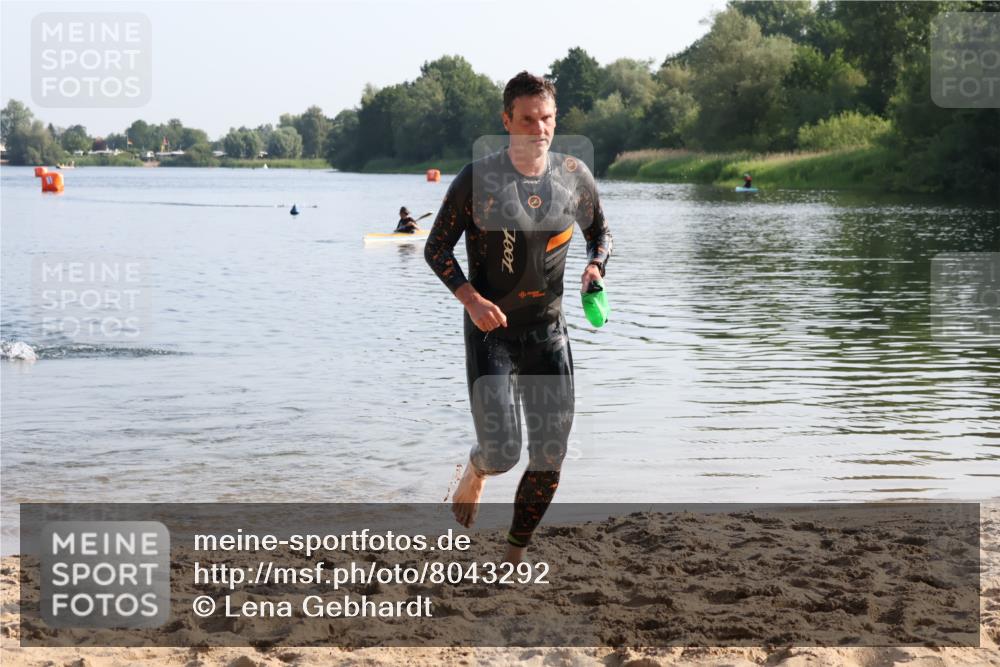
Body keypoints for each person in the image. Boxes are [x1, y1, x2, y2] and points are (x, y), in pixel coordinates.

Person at [424, 71, 612, 564]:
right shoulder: (477, 180)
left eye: (546, 118)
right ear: (507, 120)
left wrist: (595, 266)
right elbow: (436, 247)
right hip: (493, 333)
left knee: (550, 458)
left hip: (549, 331)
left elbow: (602, 235)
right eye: (527, 119)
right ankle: (477, 468)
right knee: (504, 452)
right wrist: (470, 299)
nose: (538, 128)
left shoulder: (573, 175)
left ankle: (514, 552)